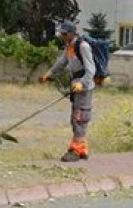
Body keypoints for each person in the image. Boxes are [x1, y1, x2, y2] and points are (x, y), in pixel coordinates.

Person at [39, 20, 96, 162]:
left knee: (80, 117)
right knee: (75, 118)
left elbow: (91, 70)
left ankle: (76, 151)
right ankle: (82, 149)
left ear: (72, 33)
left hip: (84, 87)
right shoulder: (69, 47)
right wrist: (49, 74)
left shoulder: (83, 46)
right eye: (61, 34)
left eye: (65, 34)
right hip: (74, 85)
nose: (63, 36)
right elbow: (62, 62)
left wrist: (82, 83)